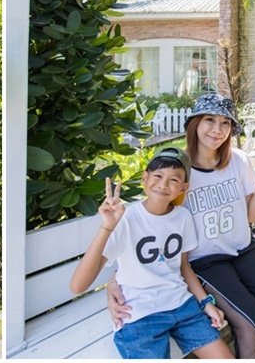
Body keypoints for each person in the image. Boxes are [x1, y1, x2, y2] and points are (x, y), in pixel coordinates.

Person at [109, 94, 255, 358]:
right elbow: (148, 224)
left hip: (244, 251)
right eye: (209, 120)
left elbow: (251, 218)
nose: (217, 130)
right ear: (195, 123)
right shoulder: (178, 170)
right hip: (205, 262)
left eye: (225, 123)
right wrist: (115, 280)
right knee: (251, 323)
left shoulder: (238, 160)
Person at [70, 148, 234, 360]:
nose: (163, 184)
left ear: (183, 188)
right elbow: (78, 286)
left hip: (182, 306)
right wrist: (107, 226)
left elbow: (184, 267)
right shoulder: (126, 218)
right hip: (139, 314)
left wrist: (205, 303)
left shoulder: (183, 217)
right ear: (145, 179)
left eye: (174, 180)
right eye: (157, 176)